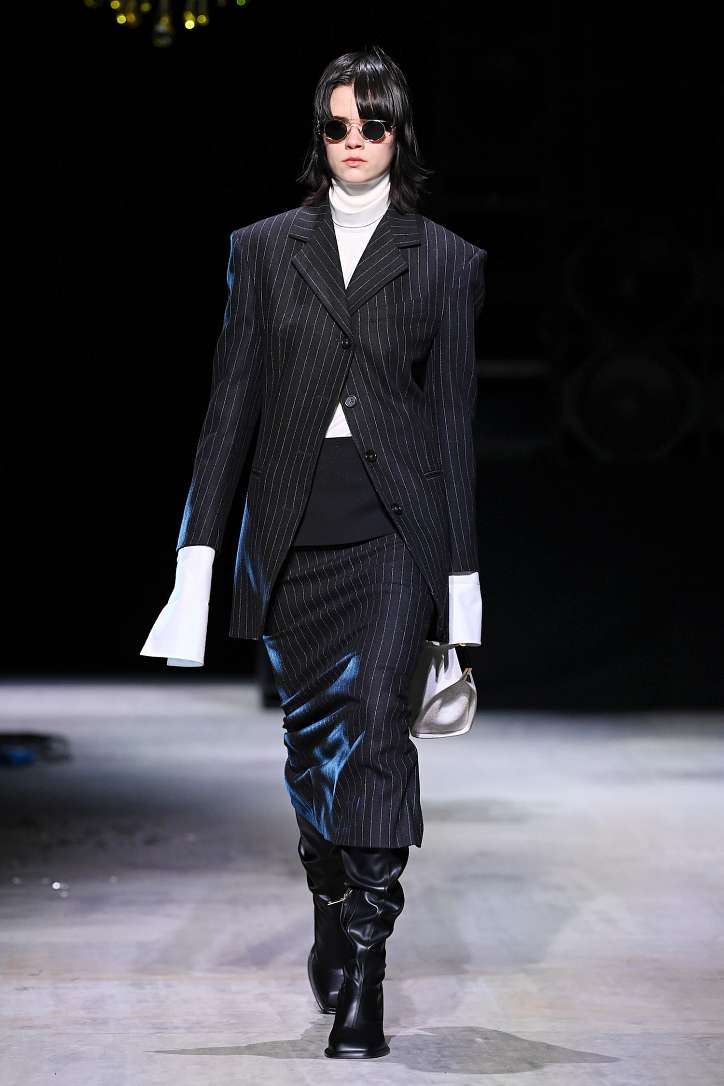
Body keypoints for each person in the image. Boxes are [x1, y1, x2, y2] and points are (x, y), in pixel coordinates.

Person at [141, 44, 487, 1059]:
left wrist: (461, 592)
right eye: (337, 125)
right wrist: (196, 560)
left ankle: (367, 969)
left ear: (399, 133)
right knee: (311, 751)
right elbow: (229, 413)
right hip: (290, 537)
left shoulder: (447, 261)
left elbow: (452, 429)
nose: (354, 142)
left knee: (376, 734)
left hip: (393, 537)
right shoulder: (262, 250)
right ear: (318, 134)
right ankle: (330, 904)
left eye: (372, 124)